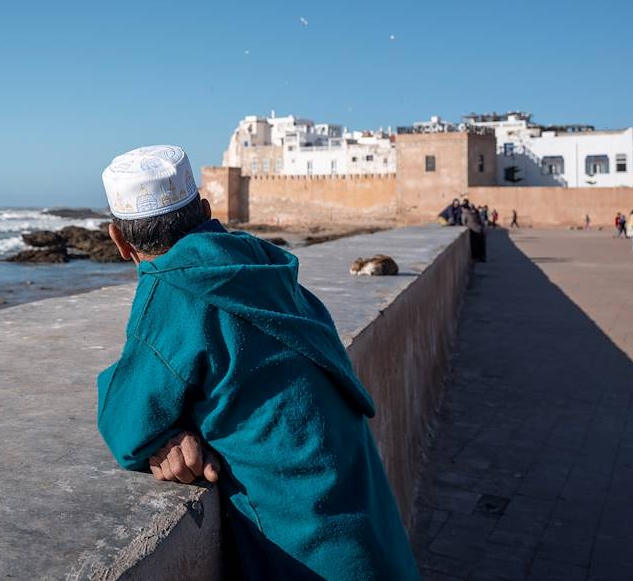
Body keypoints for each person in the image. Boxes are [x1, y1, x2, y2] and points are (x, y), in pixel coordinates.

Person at [95, 145, 419, 579]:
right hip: (364, 518)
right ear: (206, 210)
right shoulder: (264, 264)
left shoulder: (170, 292)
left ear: (119, 240)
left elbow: (127, 417)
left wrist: (168, 433)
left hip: (303, 546)